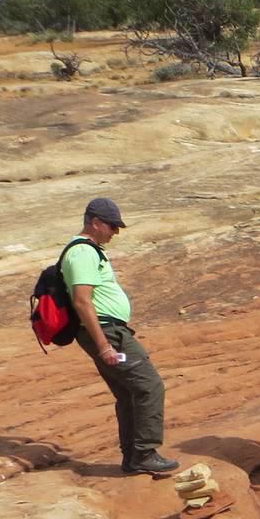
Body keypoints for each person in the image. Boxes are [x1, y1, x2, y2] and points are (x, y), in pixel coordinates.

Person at [62, 197, 177, 476]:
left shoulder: (89, 251)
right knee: (149, 386)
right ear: (95, 222)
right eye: (112, 226)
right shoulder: (82, 253)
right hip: (108, 334)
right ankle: (145, 453)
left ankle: (133, 457)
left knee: (128, 393)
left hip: (109, 331)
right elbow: (82, 301)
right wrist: (104, 346)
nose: (115, 232)